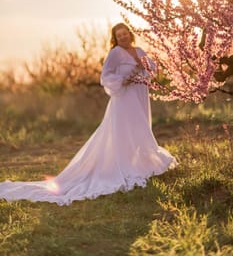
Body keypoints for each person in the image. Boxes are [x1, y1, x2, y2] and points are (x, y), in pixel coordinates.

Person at [0, 23, 177, 205]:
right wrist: (123, 79)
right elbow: (105, 76)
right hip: (124, 99)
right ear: (115, 39)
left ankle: (140, 163)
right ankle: (123, 166)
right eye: (119, 35)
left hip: (141, 95)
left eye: (125, 34)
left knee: (141, 128)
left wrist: (144, 66)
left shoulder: (140, 51)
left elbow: (153, 70)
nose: (122, 37)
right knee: (127, 132)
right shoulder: (115, 53)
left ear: (130, 34)